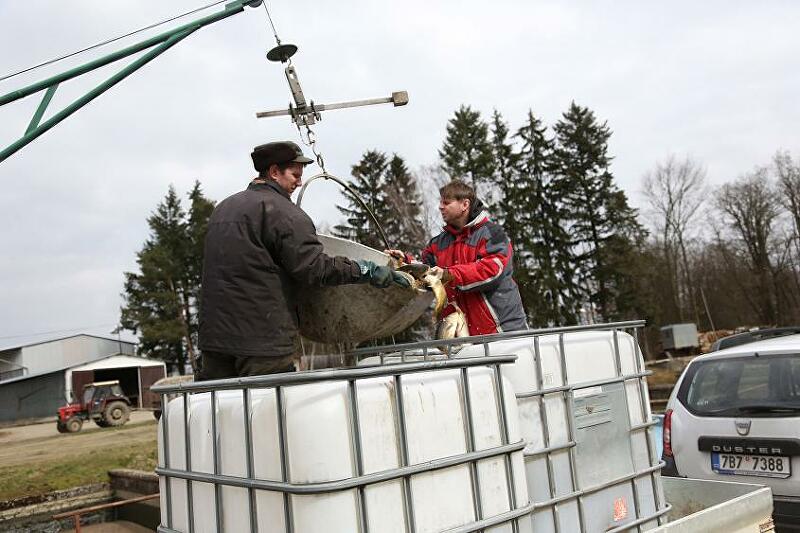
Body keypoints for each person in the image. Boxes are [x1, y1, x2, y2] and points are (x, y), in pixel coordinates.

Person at [197, 141, 408, 380]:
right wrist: (364, 269)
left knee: (217, 412)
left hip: (214, 341)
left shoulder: (223, 209)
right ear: (274, 171)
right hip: (262, 343)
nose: (299, 182)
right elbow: (314, 268)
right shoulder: (283, 212)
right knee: (268, 413)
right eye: (295, 175)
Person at [390, 180, 527, 336]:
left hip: (504, 333)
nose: (440, 207)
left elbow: (491, 270)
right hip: (462, 339)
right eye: (440, 202)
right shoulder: (437, 244)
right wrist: (406, 262)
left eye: (446, 202)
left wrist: (449, 274)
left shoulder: (493, 234)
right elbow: (427, 273)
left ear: (465, 204)